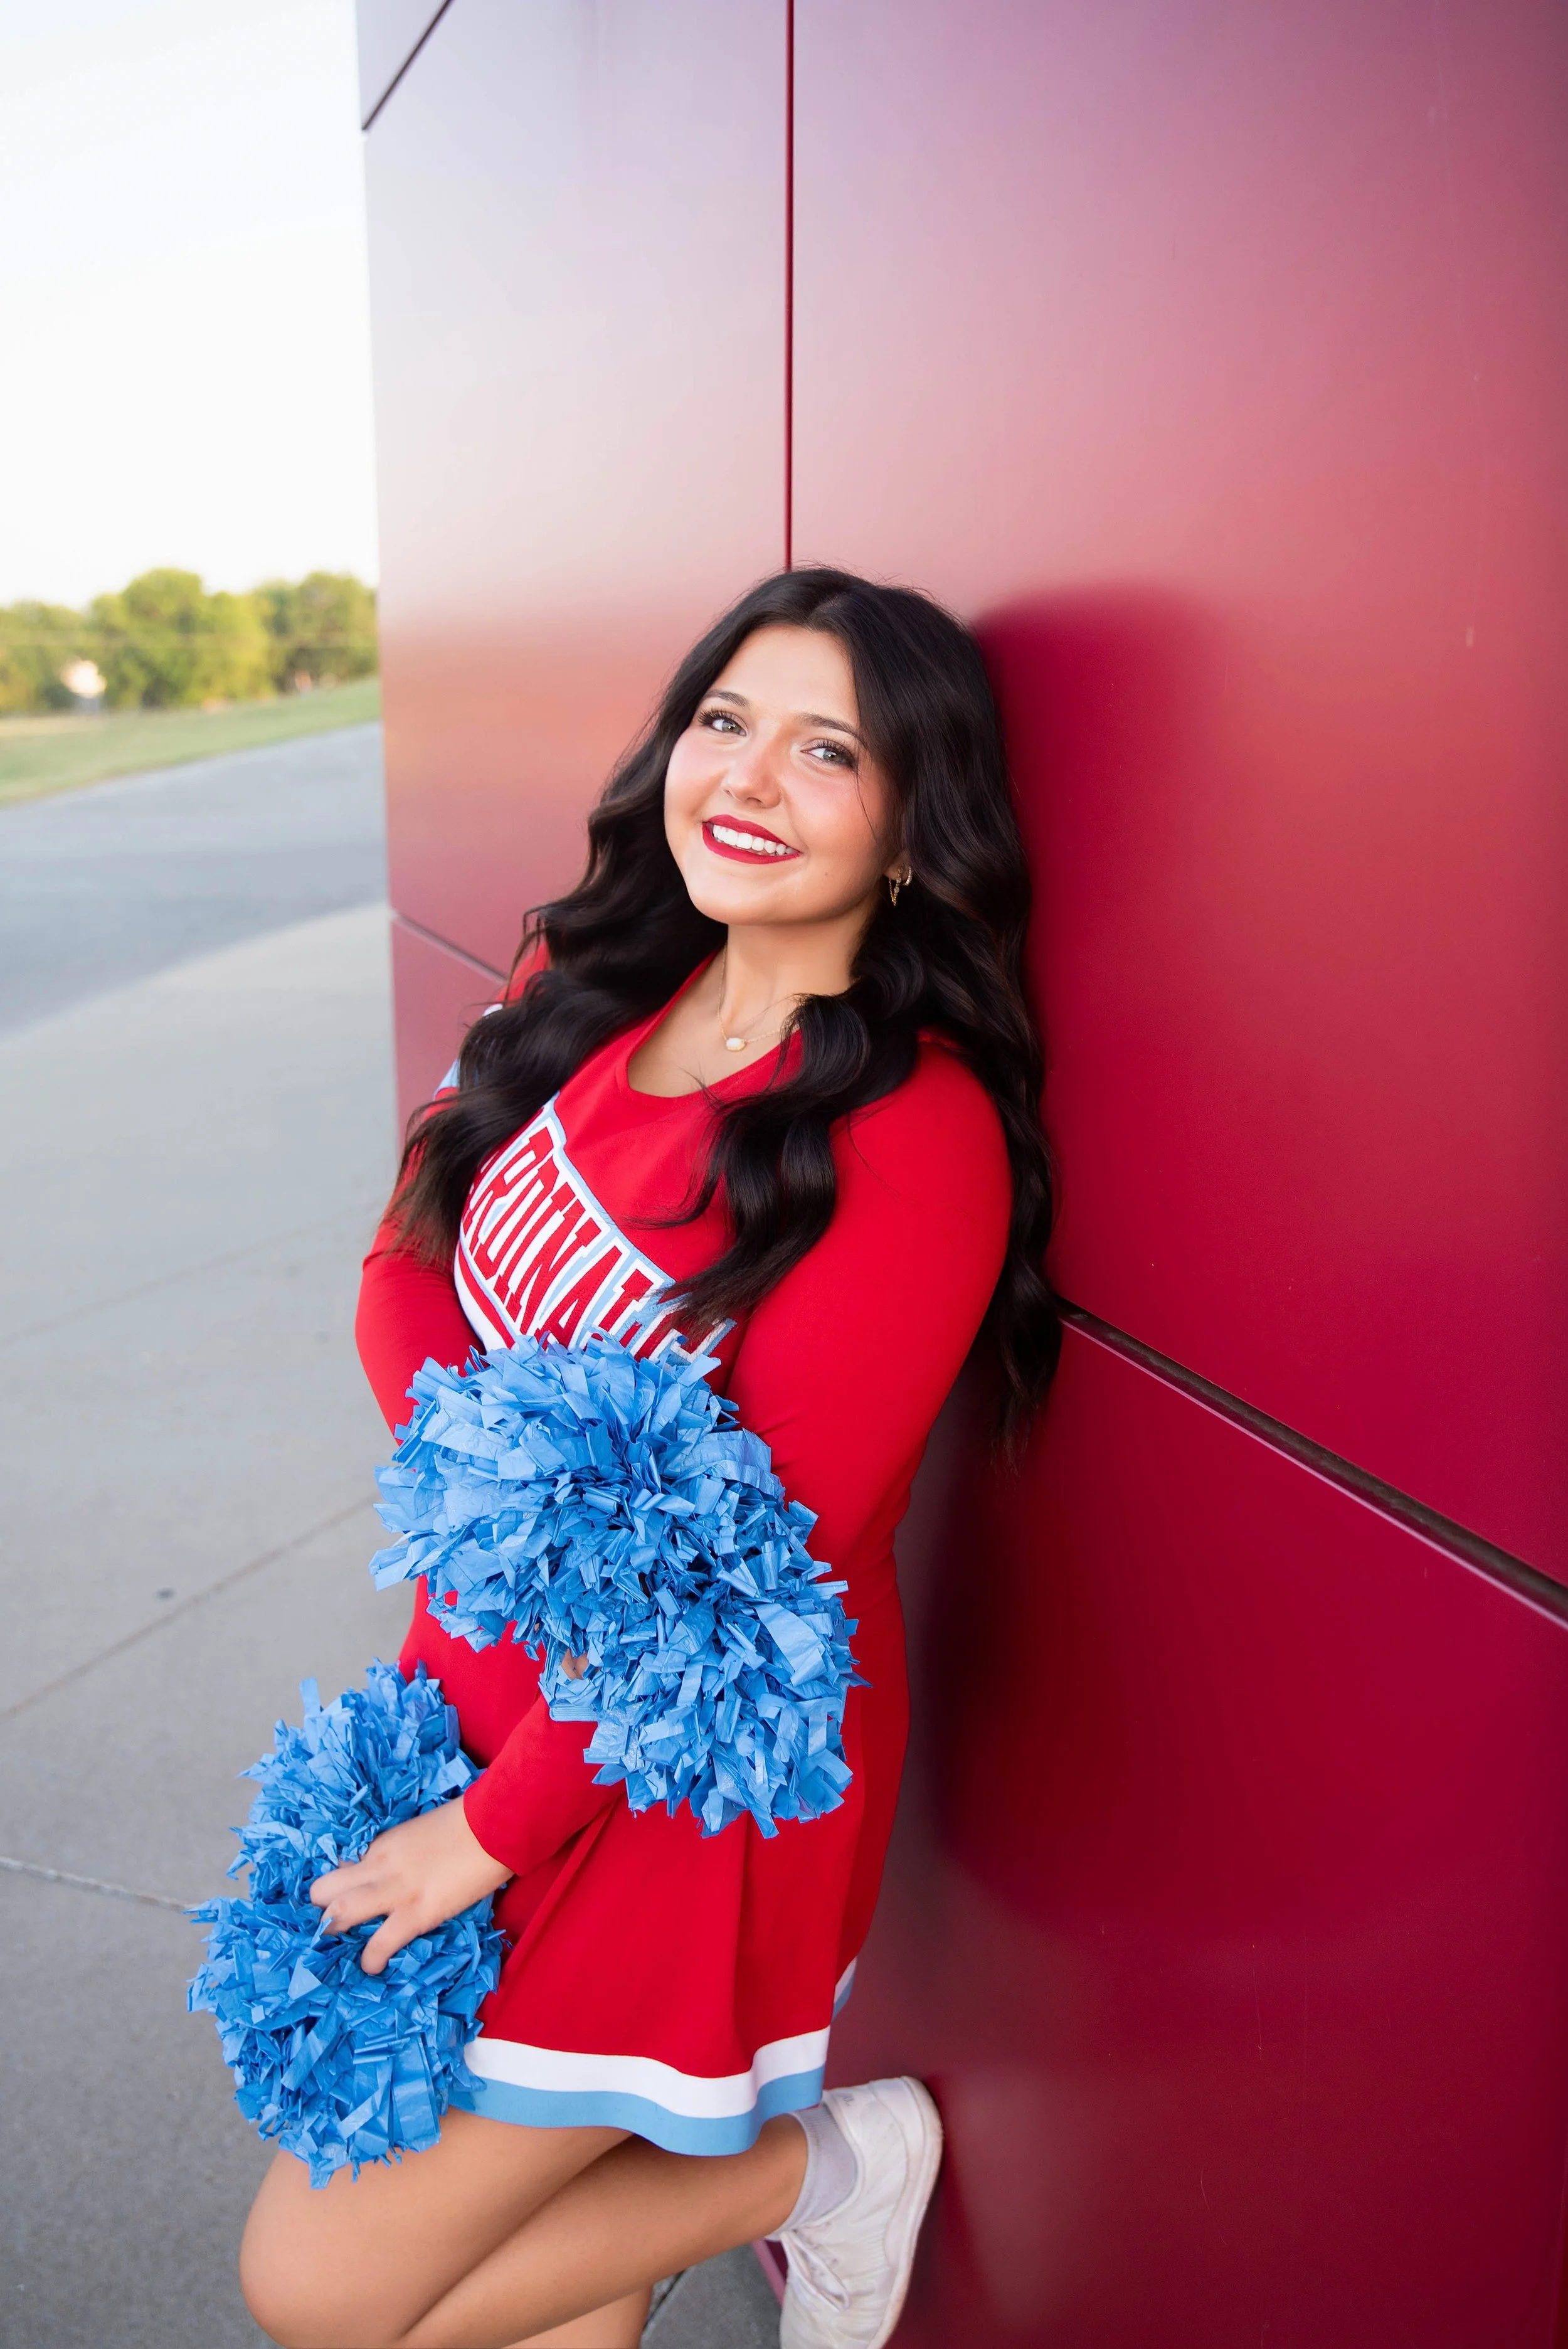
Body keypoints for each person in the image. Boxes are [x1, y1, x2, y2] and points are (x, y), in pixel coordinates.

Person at [239, 568, 1058, 2349]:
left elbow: (766, 1578)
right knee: (550, 2313)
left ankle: (820, 2178)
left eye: (826, 750)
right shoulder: (594, 985)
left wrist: (487, 1832)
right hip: (464, 1695)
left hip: (670, 1786)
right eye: (722, 721)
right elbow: (403, 1254)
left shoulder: (908, 1136)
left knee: (316, 2289)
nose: (747, 779)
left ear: (915, 826)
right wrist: (500, 1466)